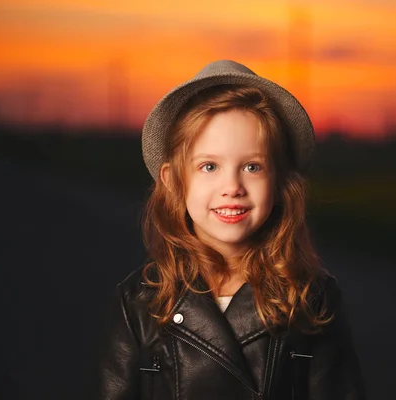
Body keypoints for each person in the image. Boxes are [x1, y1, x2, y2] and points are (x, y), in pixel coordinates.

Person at [94, 60, 365, 399]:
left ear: (279, 182)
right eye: (209, 166)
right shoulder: (139, 302)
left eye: (252, 166)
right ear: (174, 181)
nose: (232, 186)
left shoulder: (312, 299)